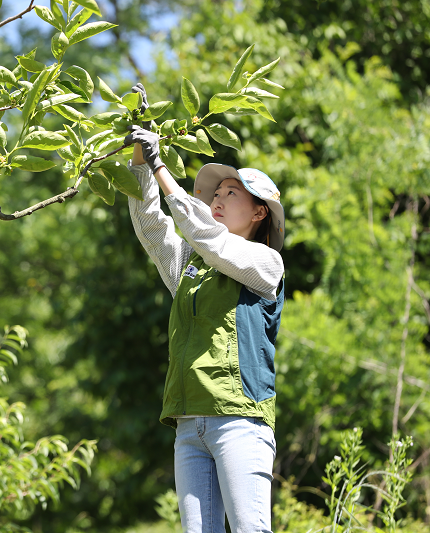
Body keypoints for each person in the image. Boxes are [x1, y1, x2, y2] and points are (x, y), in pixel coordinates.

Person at [124, 84, 285, 533]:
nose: (217, 198)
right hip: (188, 423)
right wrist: (140, 156)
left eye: (231, 193)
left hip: (240, 420)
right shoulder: (191, 268)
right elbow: (154, 230)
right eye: (215, 193)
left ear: (258, 214)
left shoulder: (265, 264)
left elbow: (210, 241)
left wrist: (160, 165)